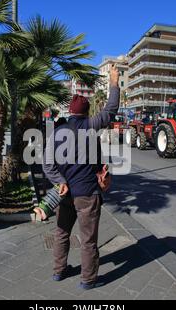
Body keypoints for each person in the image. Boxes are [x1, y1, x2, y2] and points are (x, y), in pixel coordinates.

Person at [43, 64, 120, 290]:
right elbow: (111, 110)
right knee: (87, 239)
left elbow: (47, 165)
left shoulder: (57, 133)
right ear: (86, 112)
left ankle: (59, 271)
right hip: (87, 193)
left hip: (64, 193)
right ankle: (87, 280)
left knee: (61, 232)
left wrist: (60, 182)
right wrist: (114, 82)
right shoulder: (90, 125)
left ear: (70, 112)